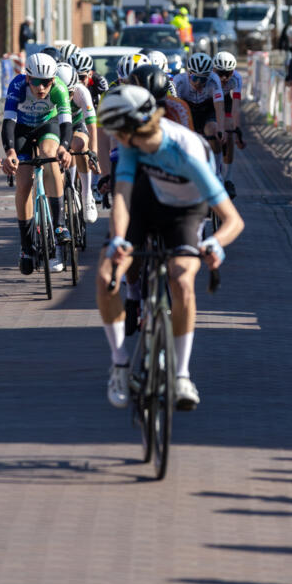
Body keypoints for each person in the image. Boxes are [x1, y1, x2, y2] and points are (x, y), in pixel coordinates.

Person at [96, 85, 244, 410]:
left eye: (116, 132)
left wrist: (214, 243)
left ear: (132, 127)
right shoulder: (133, 145)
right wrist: (119, 239)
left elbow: (233, 221)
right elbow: (121, 197)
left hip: (186, 212)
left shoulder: (187, 152)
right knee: (108, 271)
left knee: (181, 278)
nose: (115, 140)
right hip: (147, 201)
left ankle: (181, 375)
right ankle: (120, 364)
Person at [1, 51, 72, 276]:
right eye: (36, 83)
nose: (41, 88)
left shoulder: (59, 89)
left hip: (47, 126)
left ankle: (59, 224)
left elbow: (66, 123)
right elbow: (8, 123)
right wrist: (10, 151)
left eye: (46, 83)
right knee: (23, 183)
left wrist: (65, 147)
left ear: (53, 80)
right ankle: (26, 246)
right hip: (21, 129)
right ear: (28, 78)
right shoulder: (17, 86)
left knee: (49, 153)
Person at [55, 61, 99, 223]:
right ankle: (67, 188)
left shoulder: (82, 92)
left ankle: (87, 196)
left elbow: (92, 127)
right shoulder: (49, 93)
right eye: (63, 94)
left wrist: (93, 153)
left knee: (79, 145)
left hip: (77, 124)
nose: (66, 99)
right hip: (56, 126)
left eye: (70, 94)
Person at [172, 51, 226, 175]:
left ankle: (217, 172)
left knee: (213, 131)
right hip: (187, 109)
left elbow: (219, 107)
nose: (198, 83)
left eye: (203, 79)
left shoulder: (214, 79)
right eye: (195, 77)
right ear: (188, 73)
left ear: (209, 75)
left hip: (207, 109)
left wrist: (221, 129)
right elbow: (176, 108)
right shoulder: (178, 81)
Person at [213, 51, 244, 197]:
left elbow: (236, 107)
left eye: (228, 73)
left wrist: (237, 131)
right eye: (221, 73)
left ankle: (228, 179)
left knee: (229, 130)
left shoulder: (237, 78)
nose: (224, 78)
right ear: (214, 70)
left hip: (225, 101)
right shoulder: (209, 78)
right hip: (208, 102)